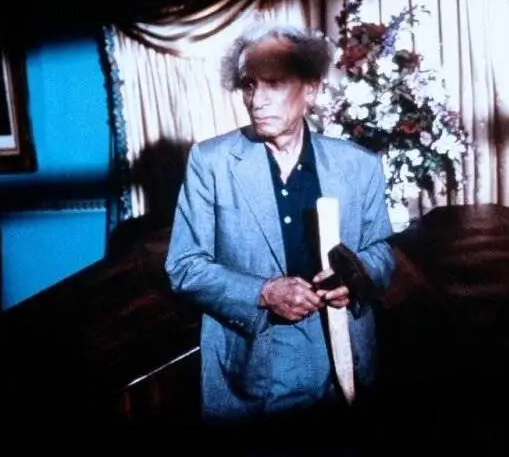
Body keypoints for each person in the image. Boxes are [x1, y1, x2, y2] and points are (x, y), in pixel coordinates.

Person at [164, 22, 395, 456]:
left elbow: (382, 250)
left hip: (343, 355)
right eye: (249, 85)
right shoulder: (211, 163)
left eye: (274, 83)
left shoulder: (359, 164)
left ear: (311, 90)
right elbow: (184, 266)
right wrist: (265, 293)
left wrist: (358, 276)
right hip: (257, 358)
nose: (257, 99)